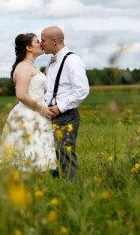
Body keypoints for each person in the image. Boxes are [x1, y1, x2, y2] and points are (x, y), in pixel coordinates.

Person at [0, 33, 57, 172]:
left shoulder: (30, 66)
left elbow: (35, 85)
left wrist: (51, 65)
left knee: (38, 150)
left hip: (36, 113)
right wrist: (42, 109)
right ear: (28, 47)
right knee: (27, 151)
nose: (41, 43)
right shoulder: (23, 66)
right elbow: (21, 95)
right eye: (37, 42)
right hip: (28, 114)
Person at [41, 26, 89, 181]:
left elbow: (82, 90)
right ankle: (55, 189)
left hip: (66, 115)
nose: (41, 44)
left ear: (54, 41)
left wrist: (59, 107)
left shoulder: (73, 60)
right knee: (49, 156)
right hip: (49, 114)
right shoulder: (50, 63)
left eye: (43, 40)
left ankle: (73, 190)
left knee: (65, 154)